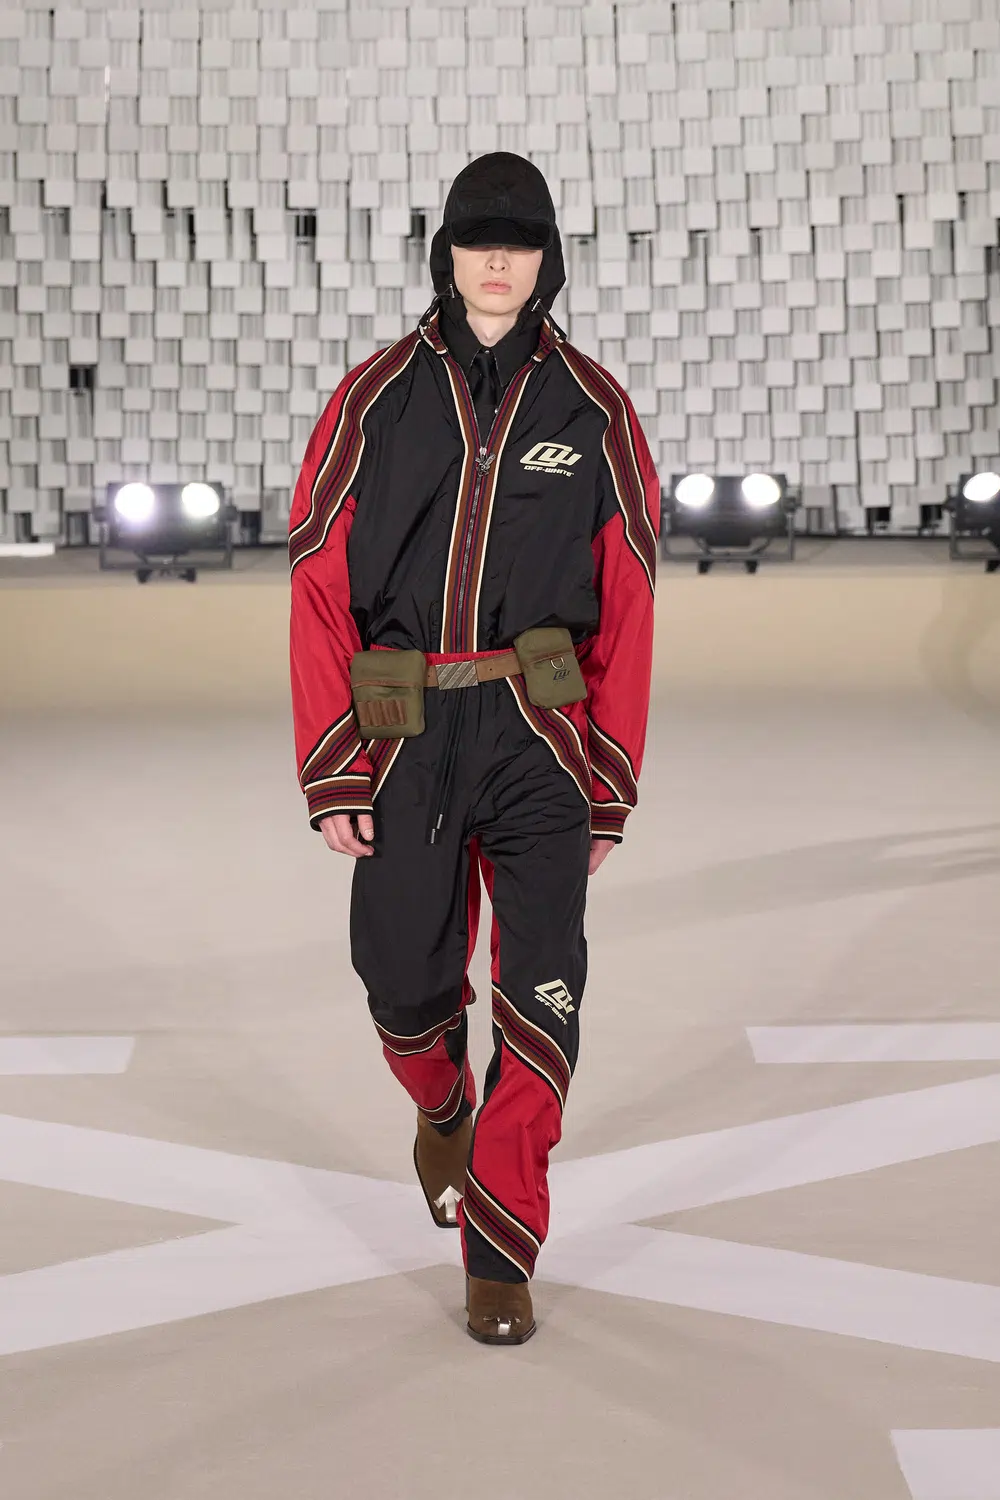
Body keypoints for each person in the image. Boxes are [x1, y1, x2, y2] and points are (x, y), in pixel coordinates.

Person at [289, 152, 659, 1344]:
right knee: (402, 979)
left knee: (544, 983)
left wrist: (609, 777)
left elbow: (630, 595)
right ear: (444, 254)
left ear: (549, 261)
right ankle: (441, 1102)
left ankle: (502, 1248)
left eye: (520, 242)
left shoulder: (594, 411)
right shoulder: (374, 399)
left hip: (541, 734)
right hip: (403, 731)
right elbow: (318, 577)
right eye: (476, 240)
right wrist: (333, 762)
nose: (497, 262)